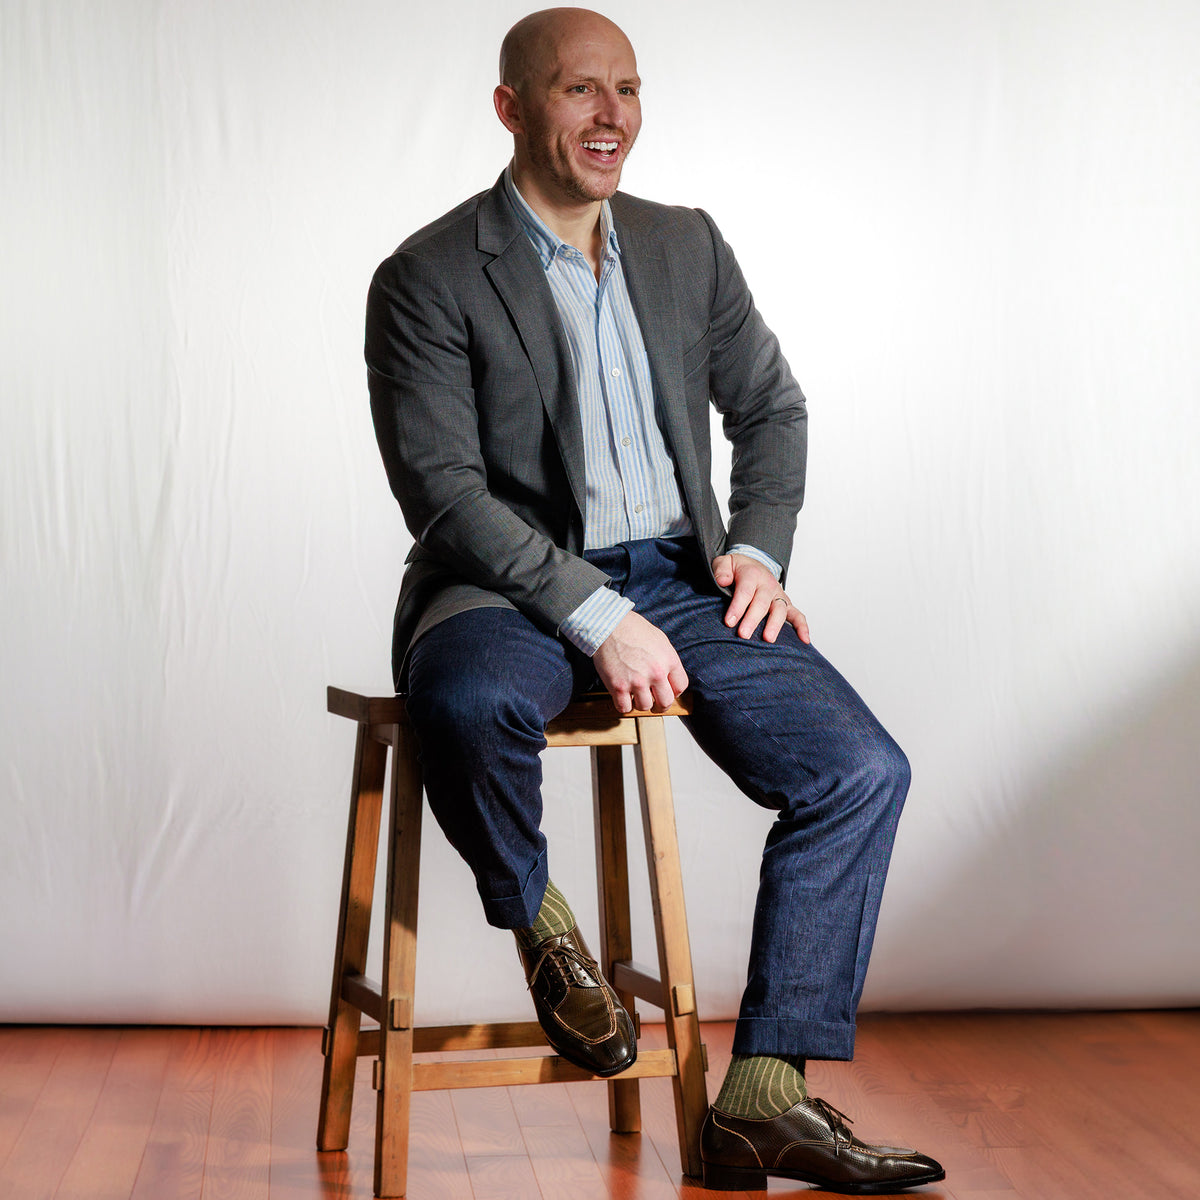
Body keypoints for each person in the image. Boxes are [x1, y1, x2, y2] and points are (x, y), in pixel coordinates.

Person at [365, 7, 943, 1192]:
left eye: (627, 89)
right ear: (513, 107)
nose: (612, 114)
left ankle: (761, 1102)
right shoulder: (425, 275)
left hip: (681, 576)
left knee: (858, 771)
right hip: (497, 582)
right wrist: (591, 613)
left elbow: (772, 407)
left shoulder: (687, 246)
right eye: (581, 90)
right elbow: (444, 492)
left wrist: (761, 553)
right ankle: (547, 934)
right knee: (469, 707)